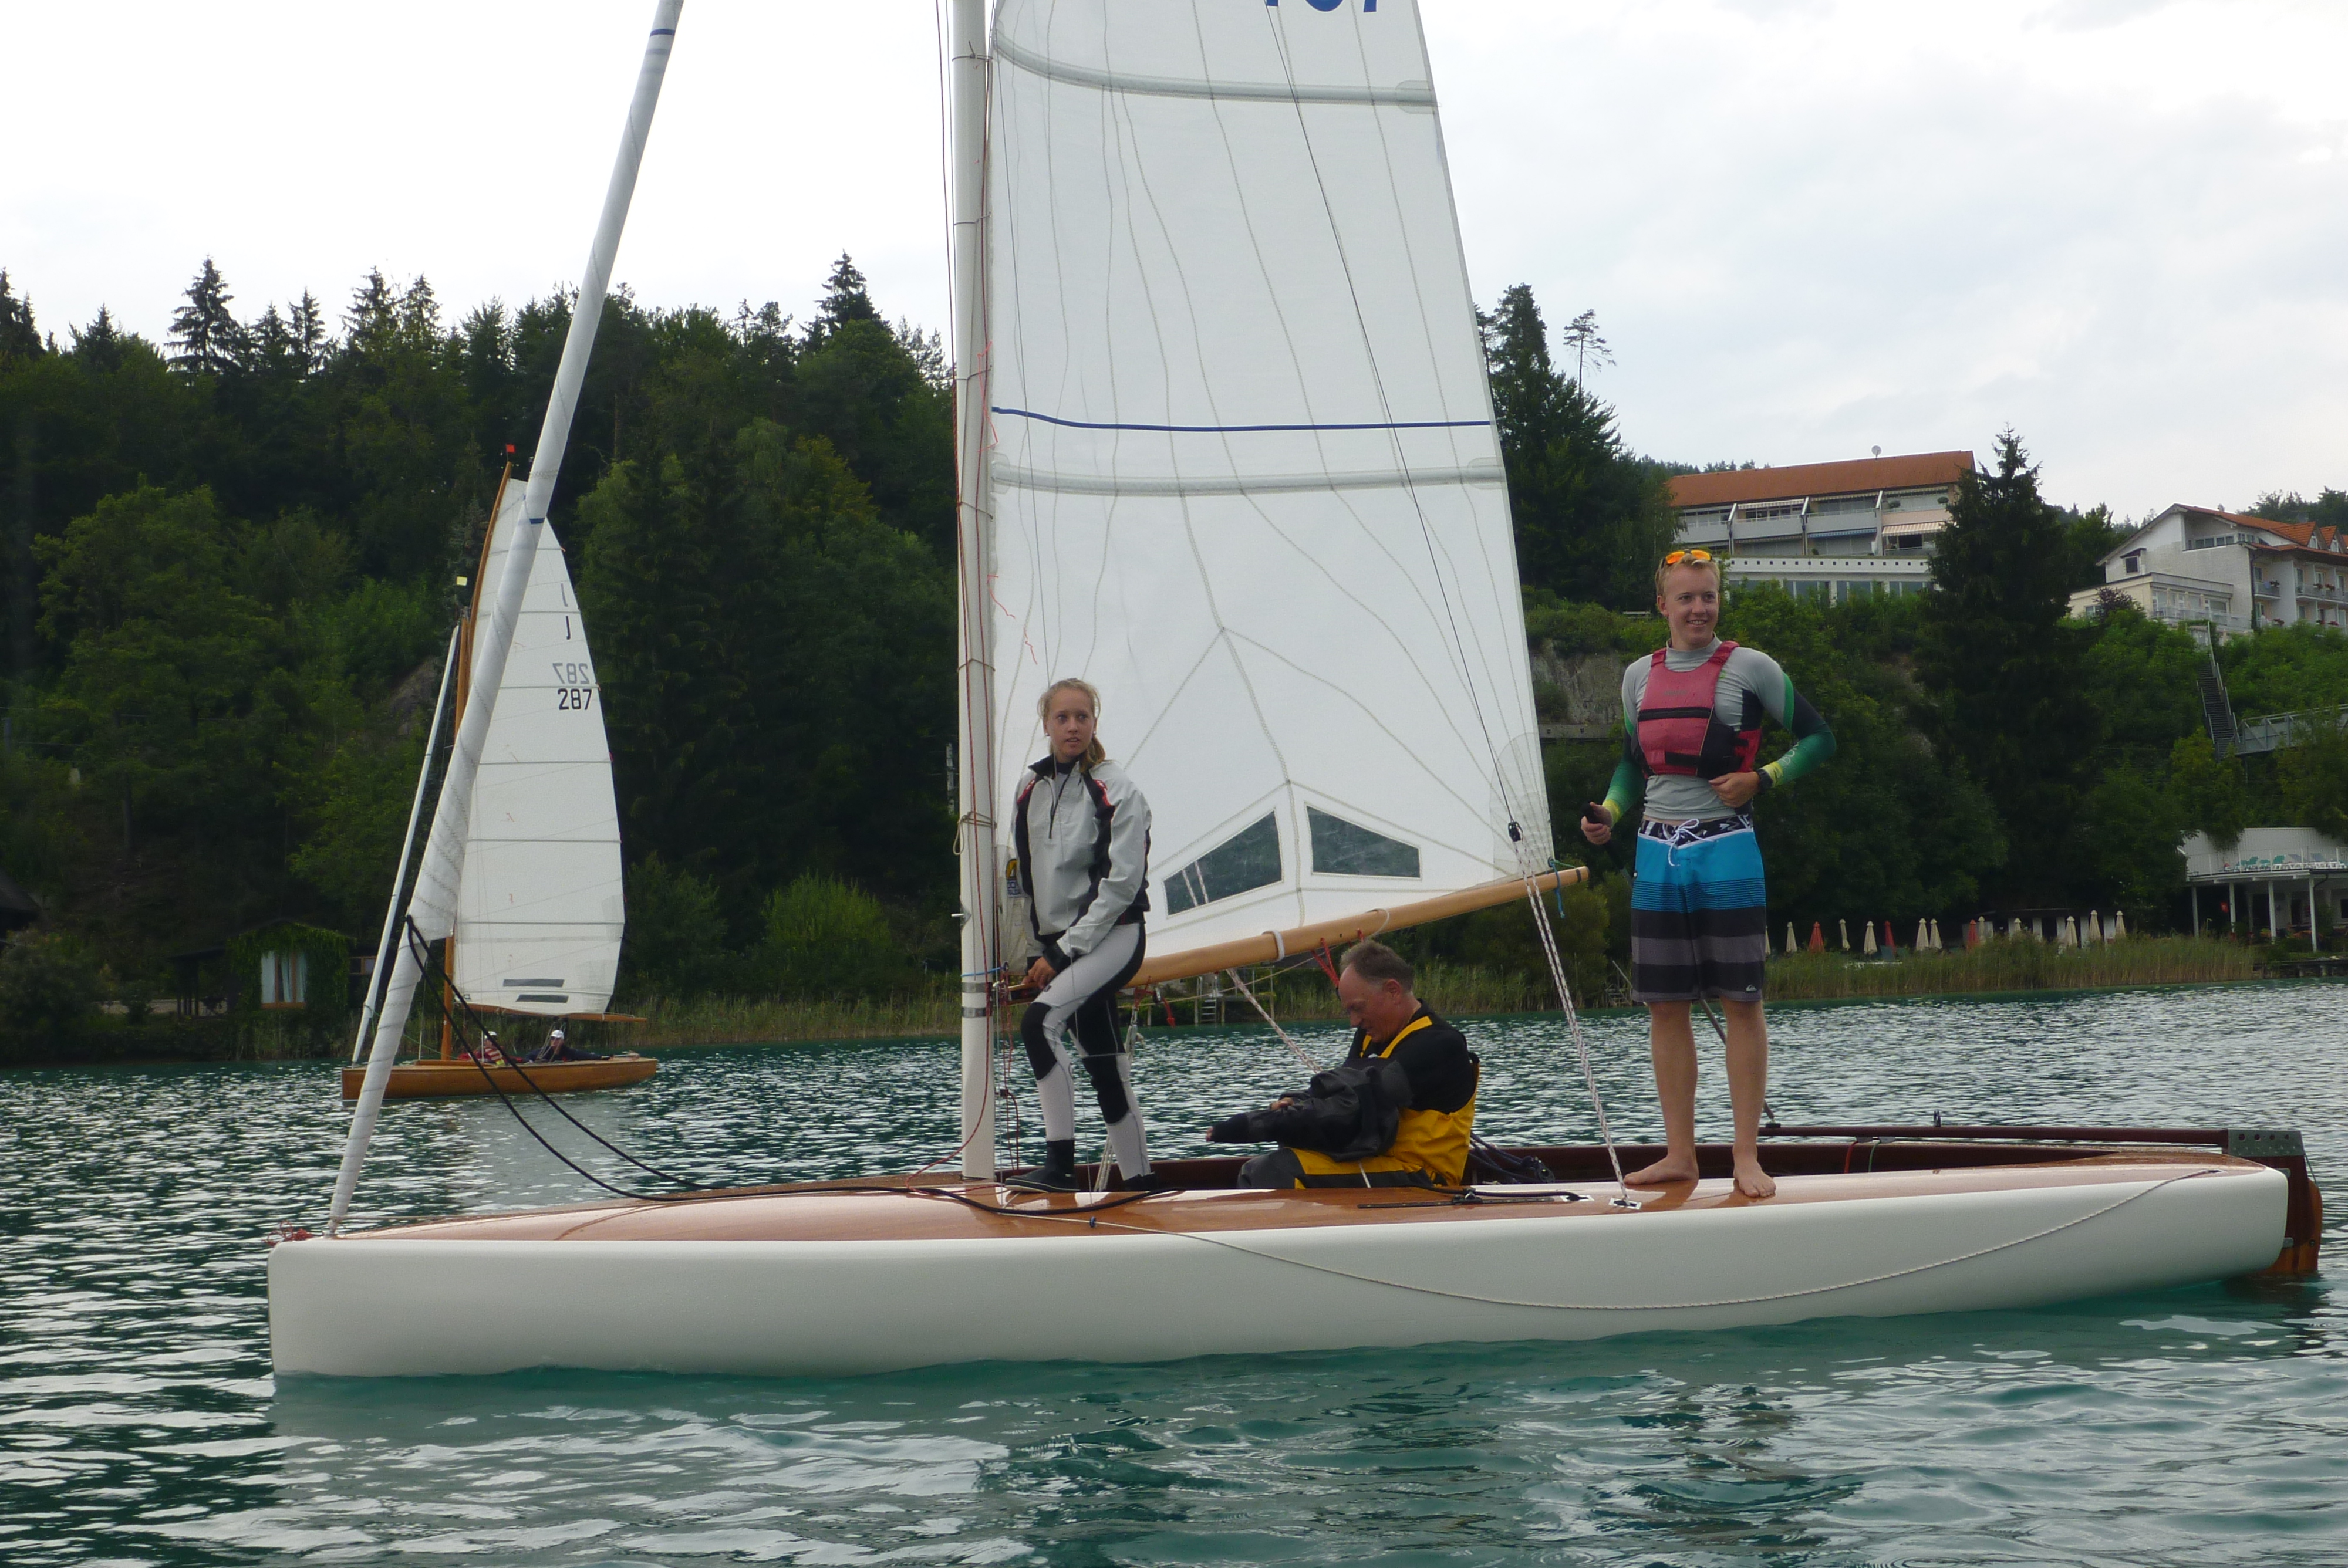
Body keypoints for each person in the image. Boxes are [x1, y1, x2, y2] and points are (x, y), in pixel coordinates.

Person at [1581, 549, 1835, 1199]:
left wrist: (1763, 777)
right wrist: (1608, 813)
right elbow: (1632, 765)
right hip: (1655, 853)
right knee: (1665, 1007)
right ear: (1662, 605)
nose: (1699, 609)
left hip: (1727, 848)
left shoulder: (1752, 668)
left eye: (1709, 597)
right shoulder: (1638, 676)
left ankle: (1745, 1157)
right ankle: (1681, 1155)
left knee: (1741, 1002)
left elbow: (1818, 739)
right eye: (1687, 598)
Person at [1013, 677, 1159, 1191]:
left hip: (1114, 935)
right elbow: (1026, 880)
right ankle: (1139, 1181)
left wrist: (1062, 953)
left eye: (1082, 717)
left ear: (1095, 723)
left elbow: (1121, 885)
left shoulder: (1117, 788)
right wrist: (1035, 953)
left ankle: (1059, 1168)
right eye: (1062, 718)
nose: (1073, 726)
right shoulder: (1029, 789)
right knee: (1104, 1063)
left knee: (1039, 1025)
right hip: (1060, 945)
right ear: (1046, 724)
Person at [1216, 940, 1477, 1189]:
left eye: (1358, 1008)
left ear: (1393, 991)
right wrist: (1296, 1101)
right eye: (1349, 1011)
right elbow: (1342, 1090)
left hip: (1425, 1177)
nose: (1354, 1022)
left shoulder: (1439, 1045)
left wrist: (1259, 1125)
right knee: (1285, 1154)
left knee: (1272, 1170)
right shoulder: (1371, 1035)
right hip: (1379, 1160)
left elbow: (1358, 1103)